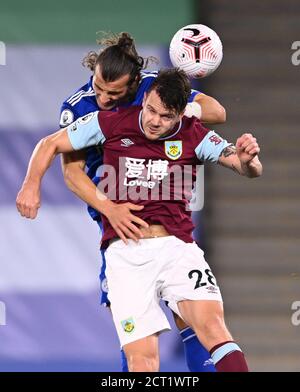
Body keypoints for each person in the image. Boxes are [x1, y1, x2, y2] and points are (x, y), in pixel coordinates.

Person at [16, 68, 262, 372]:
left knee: (213, 329)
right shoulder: (109, 122)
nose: (154, 121)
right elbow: (50, 144)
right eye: (151, 110)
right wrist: (31, 184)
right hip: (126, 256)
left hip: (178, 251)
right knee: (143, 362)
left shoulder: (195, 133)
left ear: (182, 114)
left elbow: (242, 164)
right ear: (144, 98)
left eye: (166, 116)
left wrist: (248, 161)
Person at [59, 32, 226, 372]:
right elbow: (71, 170)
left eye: (114, 93)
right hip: (121, 224)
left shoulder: (155, 90)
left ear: (134, 84)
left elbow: (217, 111)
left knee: (191, 319)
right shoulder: (77, 107)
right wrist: (109, 208)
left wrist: (180, 108)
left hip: (167, 216)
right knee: (135, 332)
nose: (103, 98)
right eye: (98, 88)